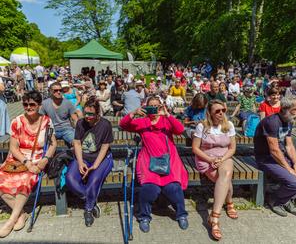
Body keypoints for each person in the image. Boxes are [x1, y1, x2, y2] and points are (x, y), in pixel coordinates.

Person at [119, 96, 189, 233]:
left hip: (169, 161)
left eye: (157, 106)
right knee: (150, 189)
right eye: (150, 106)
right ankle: (144, 216)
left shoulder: (166, 121)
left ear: (161, 106)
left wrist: (167, 115)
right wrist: (133, 113)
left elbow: (180, 130)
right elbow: (123, 125)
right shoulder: (142, 122)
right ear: (145, 107)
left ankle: (181, 214)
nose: (154, 108)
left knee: (173, 188)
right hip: (149, 161)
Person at [0, 91, 57, 238]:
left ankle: (11, 220)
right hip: (18, 158)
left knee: (26, 179)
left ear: (39, 105)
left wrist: (45, 159)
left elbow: (53, 144)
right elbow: (13, 147)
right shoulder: (17, 121)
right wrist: (26, 162)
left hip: (37, 157)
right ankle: (20, 214)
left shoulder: (46, 121)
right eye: (25, 104)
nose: (28, 107)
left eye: (32, 104)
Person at [192, 99, 237, 241]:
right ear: (210, 112)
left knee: (226, 173)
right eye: (217, 111)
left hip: (224, 157)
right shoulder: (202, 126)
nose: (221, 113)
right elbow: (195, 148)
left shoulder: (228, 125)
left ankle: (214, 217)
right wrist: (210, 160)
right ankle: (229, 202)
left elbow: (232, 148)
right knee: (225, 183)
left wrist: (222, 159)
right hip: (206, 158)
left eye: (223, 110)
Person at [66, 97, 113, 227]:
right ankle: (90, 199)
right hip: (84, 157)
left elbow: (105, 146)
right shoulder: (81, 123)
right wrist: (80, 162)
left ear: (98, 114)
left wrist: (95, 166)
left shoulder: (105, 124)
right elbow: (76, 142)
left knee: (93, 181)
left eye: (91, 114)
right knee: (70, 179)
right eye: (85, 113)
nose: (87, 116)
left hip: (102, 158)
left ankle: (88, 209)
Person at [254, 97, 296, 217]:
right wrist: (289, 169)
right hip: (266, 159)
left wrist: (295, 163)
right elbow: (274, 150)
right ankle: (275, 201)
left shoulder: (288, 121)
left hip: (281, 157)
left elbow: (289, 145)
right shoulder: (272, 122)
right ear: (285, 109)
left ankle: (286, 200)